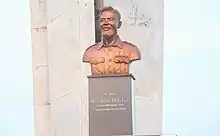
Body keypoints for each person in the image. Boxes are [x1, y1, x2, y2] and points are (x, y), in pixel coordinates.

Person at [83, 6, 141, 75]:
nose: (106, 23)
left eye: (110, 19)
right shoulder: (90, 53)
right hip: (98, 85)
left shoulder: (131, 51)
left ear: (119, 24)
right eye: (102, 20)